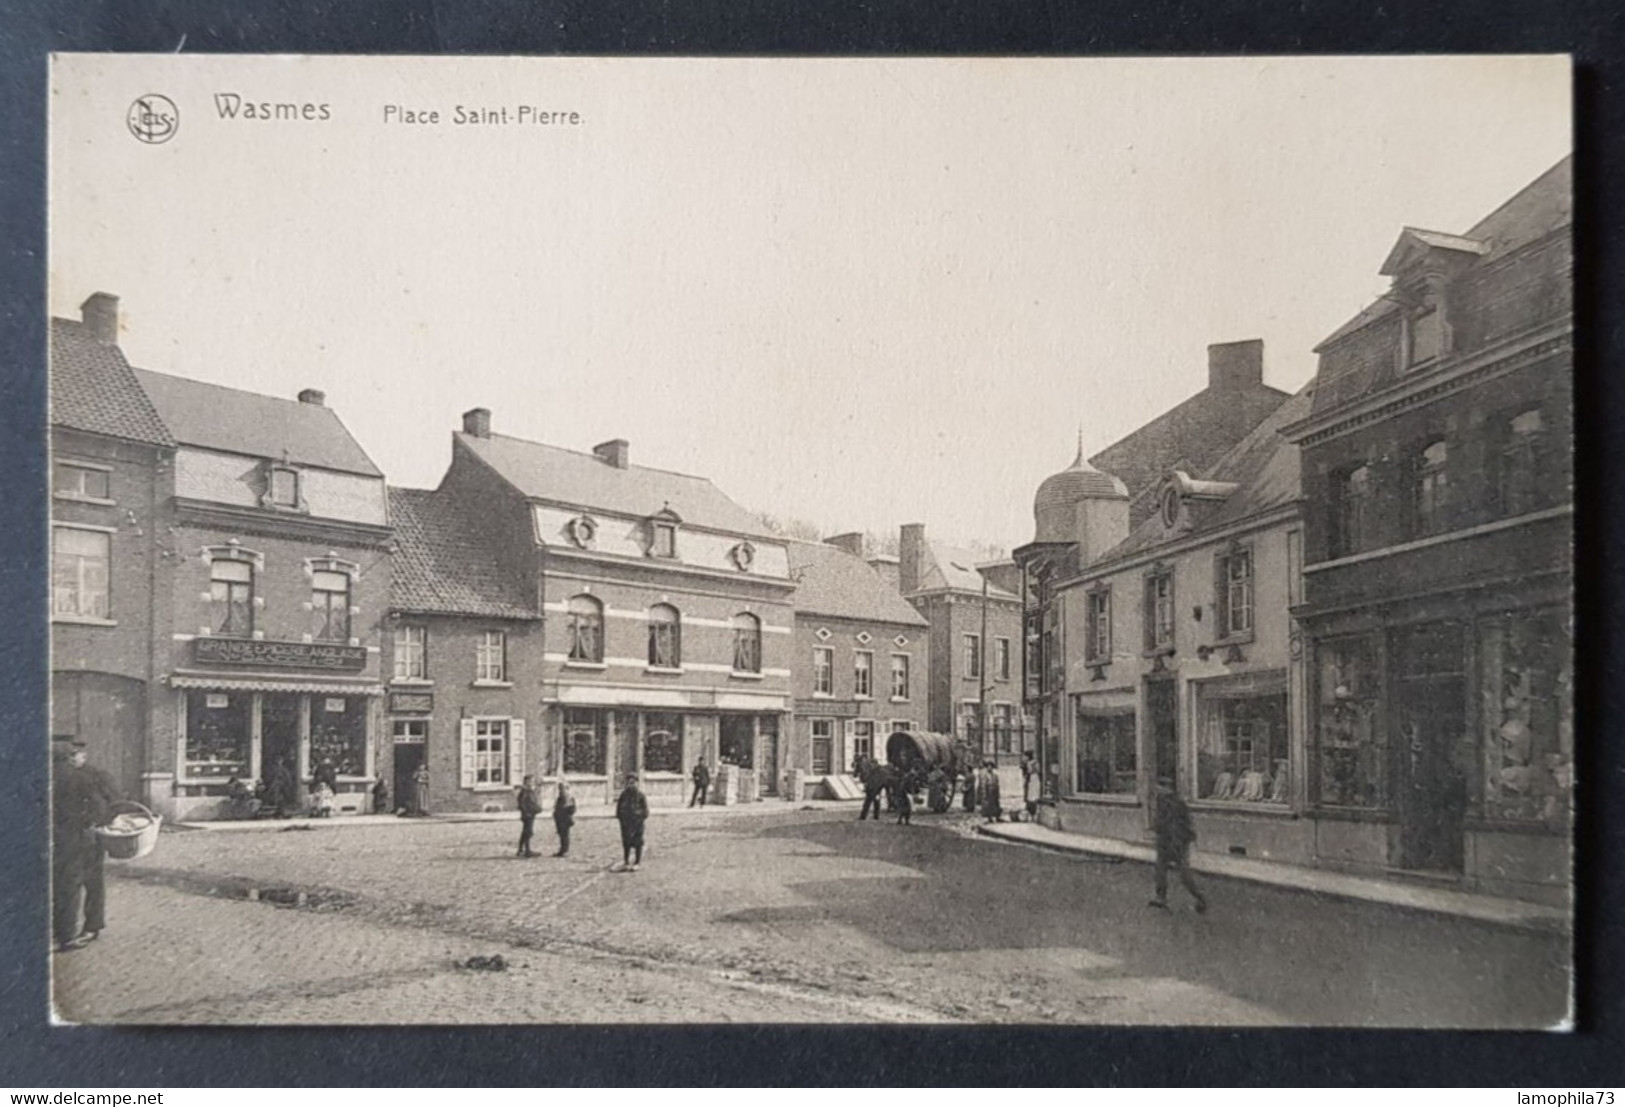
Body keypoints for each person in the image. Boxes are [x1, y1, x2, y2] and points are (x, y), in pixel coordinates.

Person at [51, 739, 117, 953]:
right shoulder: (80, 777)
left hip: (69, 838)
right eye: (74, 754)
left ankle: (74, 930)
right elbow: (101, 807)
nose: (77, 757)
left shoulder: (91, 775)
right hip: (83, 837)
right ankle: (78, 930)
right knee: (82, 883)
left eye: (77, 753)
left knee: (71, 884)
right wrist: (96, 822)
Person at [1149, 777, 1207, 914]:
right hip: (1166, 840)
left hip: (1176, 841)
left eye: (1160, 787)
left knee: (1183, 873)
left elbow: (1178, 824)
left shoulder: (1176, 803)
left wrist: (1177, 841)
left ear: (1168, 788)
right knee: (1160, 869)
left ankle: (1199, 896)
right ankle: (1161, 897)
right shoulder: (1163, 802)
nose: (1158, 790)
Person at [615, 773, 649, 871]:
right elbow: (619, 808)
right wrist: (621, 817)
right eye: (629, 783)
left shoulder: (641, 795)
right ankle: (626, 861)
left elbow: (645, 811)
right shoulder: (624, 795)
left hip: (637, 823)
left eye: (633, 783)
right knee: (626, 842)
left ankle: (637, 861)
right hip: (626, 822)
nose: (631, 785)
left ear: (637, 783)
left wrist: (639, 816)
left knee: (638, 842)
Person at [515, 775, 541, 857]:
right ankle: (527, 850)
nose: (532, 783)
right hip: (527, 814)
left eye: (532, 781)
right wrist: (526, 812)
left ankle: (521, 849)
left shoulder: (531, 791)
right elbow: (522, 804)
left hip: (531, 813)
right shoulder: (525, 791)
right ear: (526, 782)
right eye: (530, 781)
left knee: (525, 832)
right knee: (528, 832)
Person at [552, 779, 577, 857]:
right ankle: (562, 849)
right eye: (560, 788)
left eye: (563, 788)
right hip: (559, 819)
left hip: (565, 819)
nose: (561, 790)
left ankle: (565, 850)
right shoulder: (560, 797)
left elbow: (573, 809)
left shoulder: (569, 797)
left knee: (565, 835)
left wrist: (566, 810)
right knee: (561, 835)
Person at [1021, 751, 1042, 823]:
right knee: (1034, 796)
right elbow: (1038, 771)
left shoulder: (1029, 763)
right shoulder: (1036, 762)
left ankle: (1032, 814)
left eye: (1025, 756)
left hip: (1032, 780)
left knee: (1031, 797)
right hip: (1035, 779)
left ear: (1028, 756)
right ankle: (1033, 815)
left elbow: (1029, 772)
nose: (1024, 758)